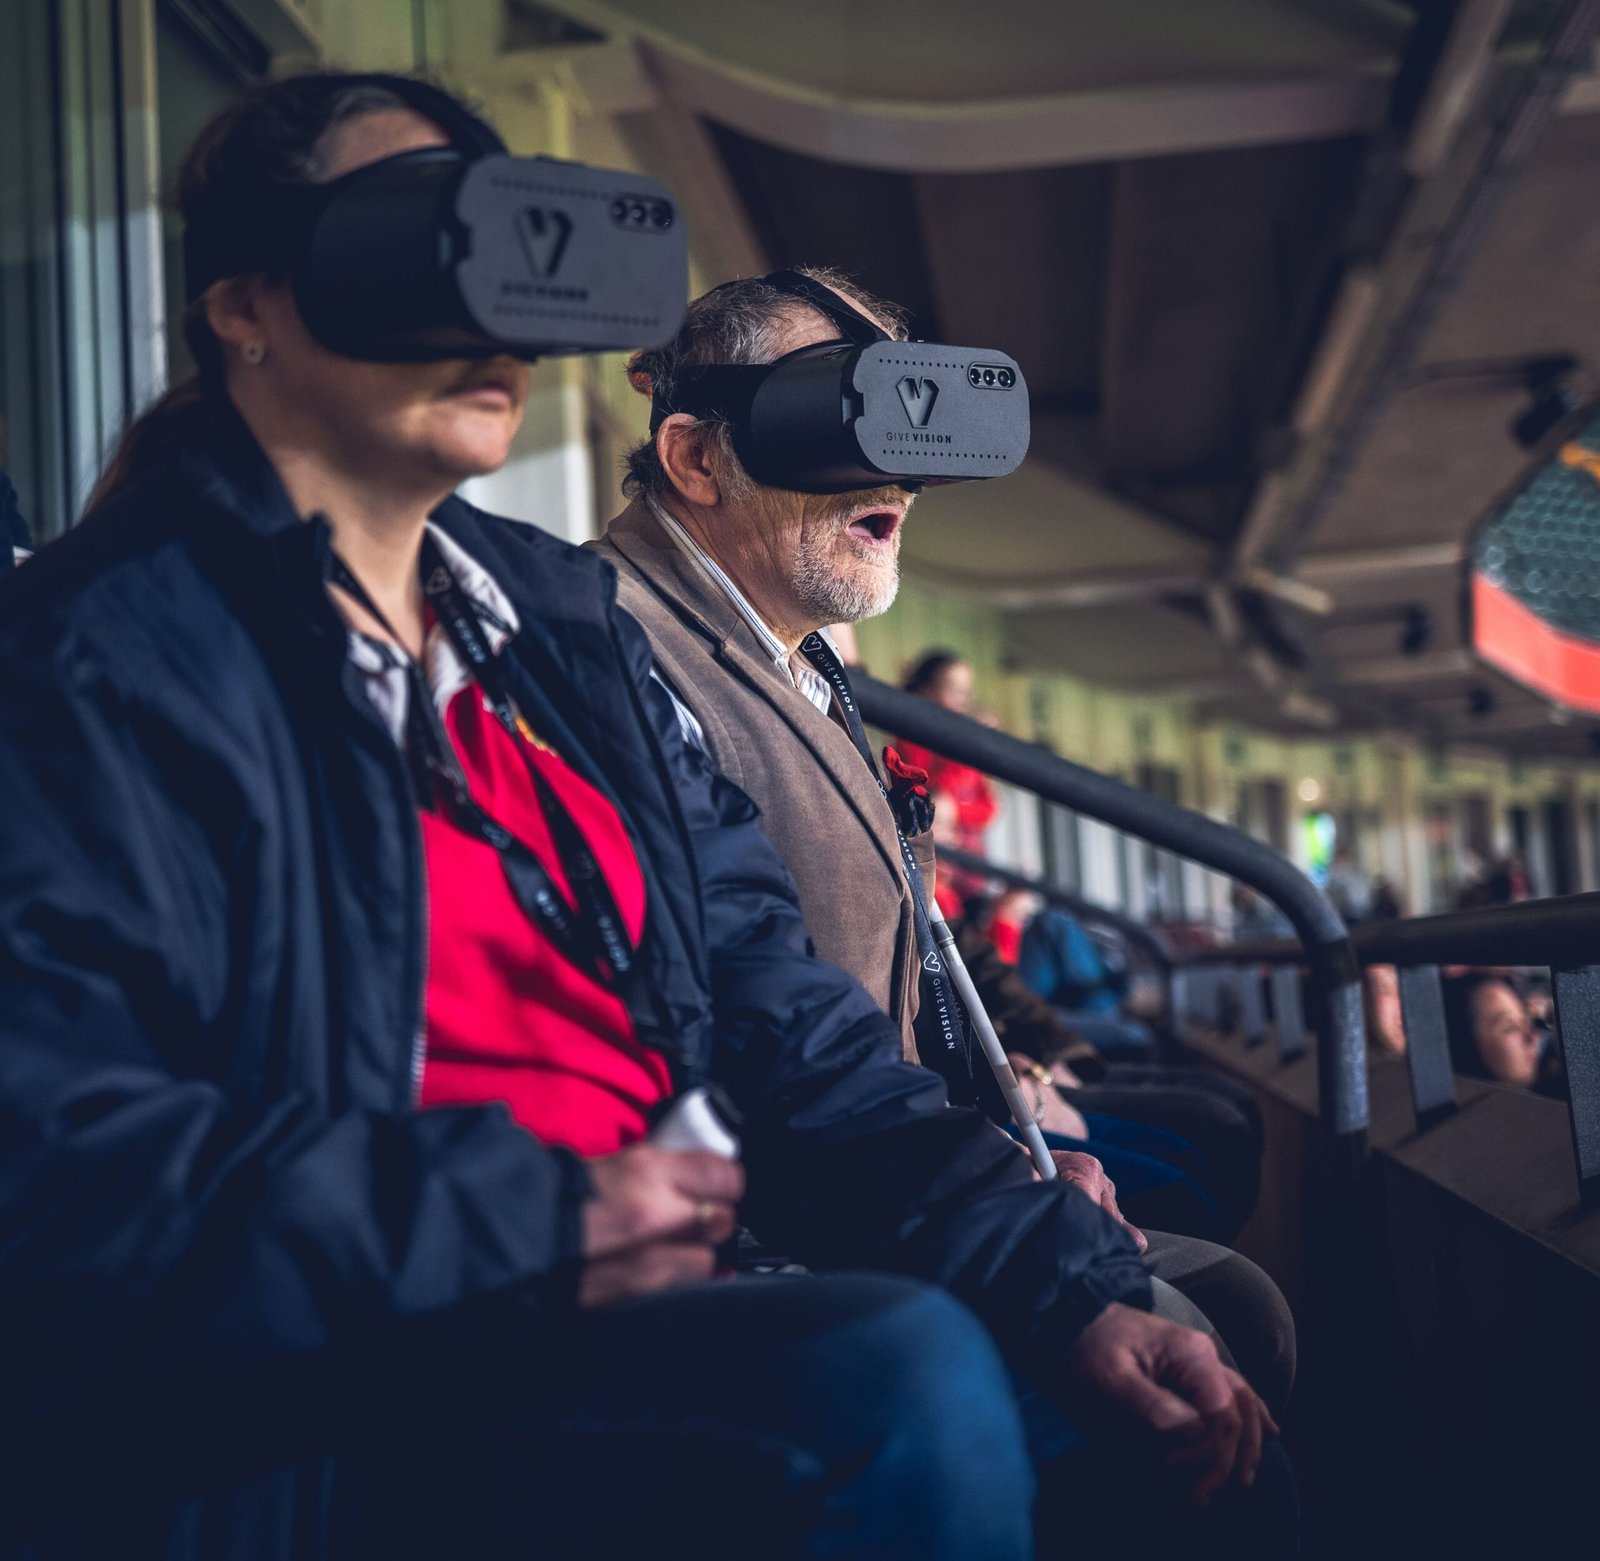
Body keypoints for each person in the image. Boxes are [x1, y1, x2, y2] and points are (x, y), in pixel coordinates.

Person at [0, 75, 1284, 1560]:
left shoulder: (547, 634)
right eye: (423, 249)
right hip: (378, 1367)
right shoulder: (107, 656)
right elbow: (56, 1158)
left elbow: (775, 1007)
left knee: (1187, 1413)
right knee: (894, 1383)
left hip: (686, 1280)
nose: (487, 318)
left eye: (507, 254)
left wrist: (1054, 1279)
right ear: (245, 306)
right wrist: (520, 1225)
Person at [591, 268, 1294, 1420]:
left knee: (1238, 1300)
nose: (901, 476)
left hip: (901, 1178)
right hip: (788, 1229)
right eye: (837, 413)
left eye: (911, 423)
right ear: (696, 458)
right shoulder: (623, 656)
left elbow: (908, 963)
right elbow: (764, 1028)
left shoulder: (798, 660)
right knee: (1217, 1329)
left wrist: (1011, 1135)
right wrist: (1005, 1217)